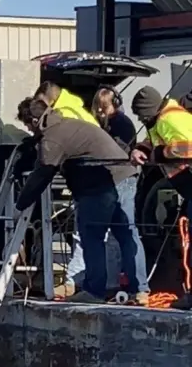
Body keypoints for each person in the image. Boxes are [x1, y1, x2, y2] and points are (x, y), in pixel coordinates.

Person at [16, 98, 149, 304]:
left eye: (28, 126)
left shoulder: (52, 138)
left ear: (34, 121)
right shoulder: (67, 123)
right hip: (125, 175)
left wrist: (20, 203)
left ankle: (95, 291)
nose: (29, 130)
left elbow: (43, 172)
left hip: (99, 185)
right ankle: (140, 290)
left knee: (92, 236)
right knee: (127, 234)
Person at [130, 86, 192, 310]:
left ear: (149, 111)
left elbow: (187, 147)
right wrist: (142, 148)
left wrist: (159, 154)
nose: (140, 120)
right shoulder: (162, 119)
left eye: (140, 115)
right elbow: (154, 138)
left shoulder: (169, 120)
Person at [34, 81, 100, 126]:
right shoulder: (74, 104)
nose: (40, 107)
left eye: (42, 104)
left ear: (52, 101)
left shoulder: (63, 115)